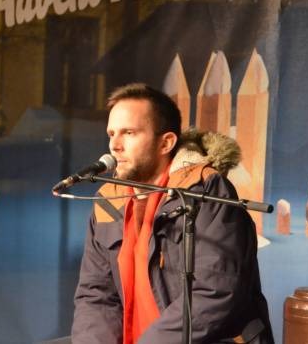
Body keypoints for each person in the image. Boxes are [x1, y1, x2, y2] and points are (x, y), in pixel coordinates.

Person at [71, 83, 272, 344]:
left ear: (166, 143)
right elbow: (96, 293)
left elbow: (215, 290)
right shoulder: (108, 200)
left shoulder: (205, 189)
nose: (115, 145)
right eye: (111, 134)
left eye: (129, 133)